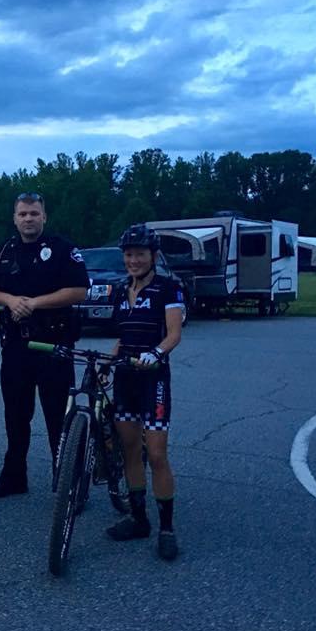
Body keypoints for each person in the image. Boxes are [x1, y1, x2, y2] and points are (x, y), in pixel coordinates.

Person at [0, 192, 89, 498]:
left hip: (53, 346)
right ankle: (14, 478)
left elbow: (79, 290)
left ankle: (69, 483)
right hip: (15, 347)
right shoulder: (5, 249)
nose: (28, 219)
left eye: (34, 213)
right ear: (15, 218)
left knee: (58, 418)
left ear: (44, 216)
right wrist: (10, 300)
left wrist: (35, 303)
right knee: (15, 416)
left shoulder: (62, 249)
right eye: (23, 214)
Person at [104, 224, 183, 561]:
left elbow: (174, 333)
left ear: (153, 256)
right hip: (125, 378)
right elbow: (121, 336)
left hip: (153, 380)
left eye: (139, 254)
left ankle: (167, 528)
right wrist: (108, 362)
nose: (133, 260)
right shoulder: (121, 291)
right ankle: (139, 519)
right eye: (128, 254)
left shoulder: (169, 288)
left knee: (156, 453)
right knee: (130, 450)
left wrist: (156, 353)